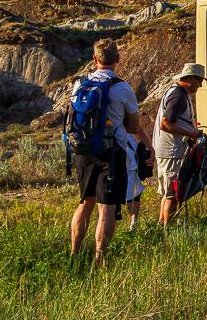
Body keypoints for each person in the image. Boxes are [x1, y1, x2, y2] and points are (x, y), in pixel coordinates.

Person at [69, 38, 140, 265]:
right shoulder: (123, 88)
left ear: (94, 58)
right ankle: (100, 259)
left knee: (85, 203)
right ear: (117, 59)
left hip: (83, 151)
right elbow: (133, 127)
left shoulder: (79, 85)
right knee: (106, 209)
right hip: (111, 153)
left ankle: (74, 254)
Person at [152, 63, 206, 225]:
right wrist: (192, 133)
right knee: (173, 194)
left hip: (168, 151)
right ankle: (168, 230)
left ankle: (162, 225)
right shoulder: (178, 97)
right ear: (188, 78)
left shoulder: (177, 93)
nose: (200, 84)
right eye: (198, 80)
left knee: (168, 193)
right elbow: (166, 124)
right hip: (172, 152)